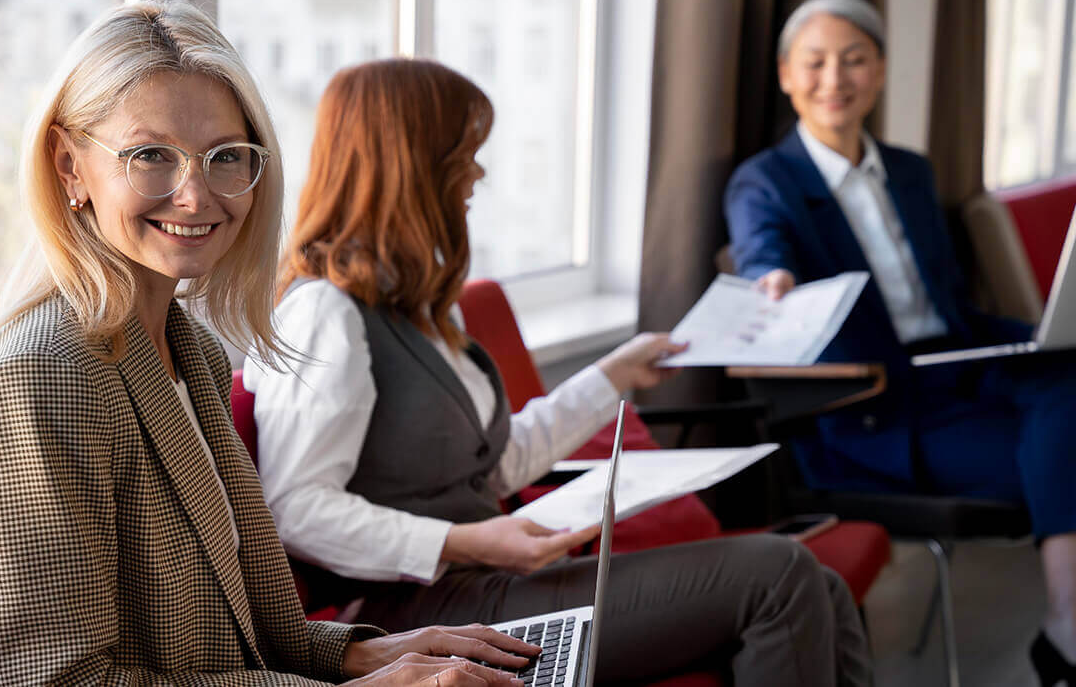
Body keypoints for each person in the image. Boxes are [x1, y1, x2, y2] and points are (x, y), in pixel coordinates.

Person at [0, 0, 541, 686]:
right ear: (70, 166)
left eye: (226, 157)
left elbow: (248, 635)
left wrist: (365, 654)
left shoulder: (185, 342)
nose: (196, 195)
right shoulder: (44, 375)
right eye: (150, 156)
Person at [244, 58, 872, 687]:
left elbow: (494, 464)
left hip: (485, 586)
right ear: (409, 162)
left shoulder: (411, 305)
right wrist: (466, 542)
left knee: (820, 584)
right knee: (779, 574)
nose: (478, 172)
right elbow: (296, 510)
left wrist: (615, 375)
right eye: (464, 152)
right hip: (420, 616)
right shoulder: (325, 313)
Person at [724, 0, 1076, 684]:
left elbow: (946, 300)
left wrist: (1046, 339)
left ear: (879, 72)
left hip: (956, 364)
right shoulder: (765, 181)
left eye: (853, 60)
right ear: (786, 74)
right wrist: (773, 280)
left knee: (1065, 371)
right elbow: (764, 251)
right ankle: (1069, 622)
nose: (835, 79)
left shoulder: (911, 171)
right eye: (815, 63)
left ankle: (1067, 627)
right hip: (874, 407)